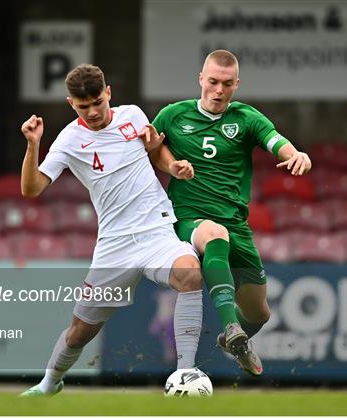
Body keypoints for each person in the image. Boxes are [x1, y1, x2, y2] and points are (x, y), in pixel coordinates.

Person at [18, 64, 203, 396]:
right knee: (79, 333)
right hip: (114, 246)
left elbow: (154, 150)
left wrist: (172, 165)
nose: (92, 112)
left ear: (108, 94)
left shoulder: (132, 115)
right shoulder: (69, 139)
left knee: (190, 273)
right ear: (71, 103)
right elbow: (32, 189)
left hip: (156, 232)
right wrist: (33, 145)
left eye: (96, 103)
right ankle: (49, 383)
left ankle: (185, 372)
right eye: (82, 106)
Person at [146, 49, 312, 376]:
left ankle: (231, 339)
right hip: (188, 218)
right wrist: (172, 166)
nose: (218, 90)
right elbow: (152, 149)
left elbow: (277, 142)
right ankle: (232, 327)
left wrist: (297, 154)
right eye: (212, 82)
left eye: (226, 83)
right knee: (214, 235)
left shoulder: (247, 118)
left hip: (235, 223)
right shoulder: (173, 115)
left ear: (237, 84)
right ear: (200, 80)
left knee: (260, 312)